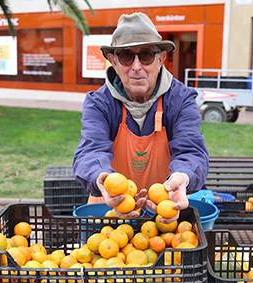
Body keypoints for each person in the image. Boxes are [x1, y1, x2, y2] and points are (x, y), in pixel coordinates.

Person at [73, 12, 209, 222]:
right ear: (113, 61)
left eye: (145, 55)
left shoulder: (181, 100)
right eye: (126, 56)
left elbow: (191, 151)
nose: (136, 66)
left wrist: (183, 176)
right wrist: (100, 178)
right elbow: (90, 151)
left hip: (166, 211)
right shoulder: (99, 103)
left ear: (161, 58)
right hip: (108, 212)